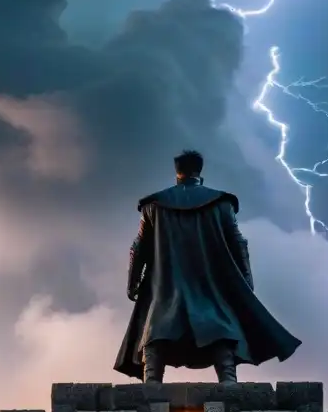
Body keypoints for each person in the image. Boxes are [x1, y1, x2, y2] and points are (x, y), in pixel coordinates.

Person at [113, 149, 301, 383]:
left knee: (158, 329)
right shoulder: (221, 204)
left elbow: (138, 247)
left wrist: (132, 283)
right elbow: (238, 242)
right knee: (218, 324)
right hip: (209, 280)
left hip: (167, 284)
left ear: (177, 173)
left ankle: (152, 382)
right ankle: (228, 381)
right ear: (199, 173)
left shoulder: (154, 205)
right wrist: (246, 280)